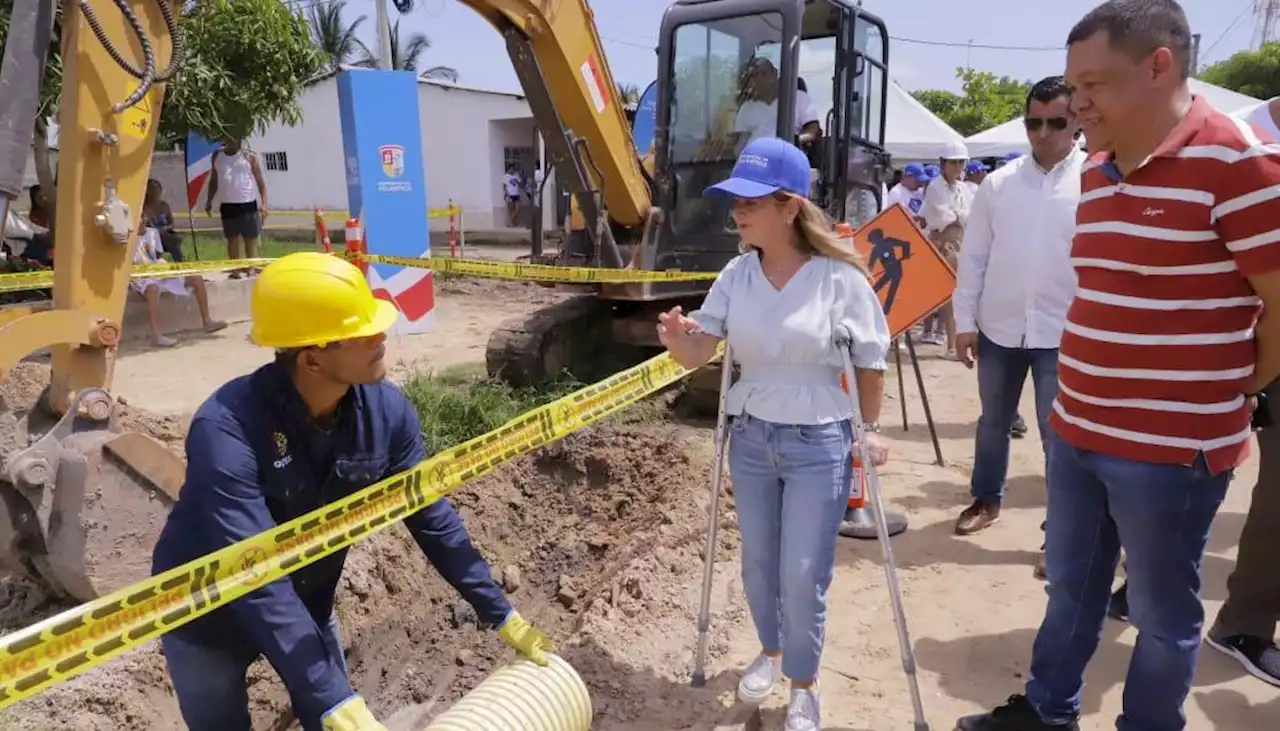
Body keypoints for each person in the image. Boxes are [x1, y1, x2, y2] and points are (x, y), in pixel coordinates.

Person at [957, 2, 1280, 730]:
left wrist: (1242, 386)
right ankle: (1047, 712)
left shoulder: (1241, 164)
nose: (1075, 105)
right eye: (1072, 88)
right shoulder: (1098, 173)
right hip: (1076, 432)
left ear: (1159, 65)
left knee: (1163, 614)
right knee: (1072, 588)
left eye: (1093, 84)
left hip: (1171, 453)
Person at [150, 252, 552, 731]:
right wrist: (329, 694)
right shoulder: (226, 428)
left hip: (307, 599)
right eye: (361, 331)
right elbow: (253, 569)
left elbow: (429, 515)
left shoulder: (386, 413)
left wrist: (498, 610)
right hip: (208, 617)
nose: (381, 335)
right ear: (313, 359)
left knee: (333, 715)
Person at [657, 136, 890, 731]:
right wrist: (678, 338)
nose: (738, 210)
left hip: (820, 442)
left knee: (803, 570)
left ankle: (804, 686)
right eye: (734, 199)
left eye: (752, 201)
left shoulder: (839, 279)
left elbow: (869, 362)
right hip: (754, 435)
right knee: (760, 561)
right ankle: (772, 650)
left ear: (790, 206)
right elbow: (699, 352)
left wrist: (868, 432)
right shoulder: (737, 274)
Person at [951, 76, 1083, 548]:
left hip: (1063, 332)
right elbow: (974, 258)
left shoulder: (1097, 180)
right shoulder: (998, 184)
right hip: (999, 328)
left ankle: (1061, 530)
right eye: (1034, 121)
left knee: (1058, 433)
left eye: (1055, 122)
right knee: (993, 422)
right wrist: (964, 322)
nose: (1043, 132)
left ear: (1077, 121)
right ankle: (986, 499)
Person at [131, 227, 227, 347]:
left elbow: (158, 255)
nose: (143, 221)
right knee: (152, 289)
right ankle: (155, 335)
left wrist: (166, 266)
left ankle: (207, 322)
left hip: (158, 271)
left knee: (196, 278)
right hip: (141, 275)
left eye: (144, 218)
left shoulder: (152, 232)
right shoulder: (128, 236)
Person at [921, 140, 973, 360]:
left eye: (961, 162)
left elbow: (969, 215)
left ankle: (952, 341)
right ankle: (951, 345)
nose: (958, 167)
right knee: (947, 294)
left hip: (960, 241)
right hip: (941, 243)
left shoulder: (963, 188)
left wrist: (957, 216)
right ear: (943, 164)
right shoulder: (935, 187)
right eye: (953, 163)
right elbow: (942, 219)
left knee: (957, 294)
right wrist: (958, 216)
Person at [205, 138, 268, 277]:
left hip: (247, 202)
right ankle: (235, 269)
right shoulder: (217, 156)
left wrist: (264, 203)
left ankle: (251, 268)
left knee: (250, 238)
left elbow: (260, 182)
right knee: (232, 239)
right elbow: (214, 181)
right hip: (228, 204)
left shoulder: (249, 156)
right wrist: (209, 200)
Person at [143, 178, 184, 263]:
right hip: (151, 235)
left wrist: (165, 228)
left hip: (165, 234)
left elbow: (172, 223)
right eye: (152, 189)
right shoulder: (144, 206)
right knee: (152, 239)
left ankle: (180, 263)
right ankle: (155, 261)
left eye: (157, 189)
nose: (155, 192)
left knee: (174, 241)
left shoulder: (164, 205)